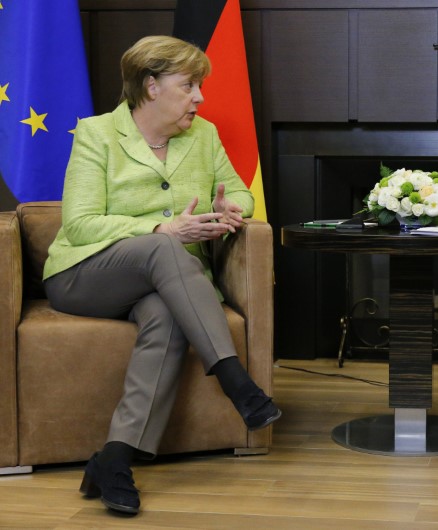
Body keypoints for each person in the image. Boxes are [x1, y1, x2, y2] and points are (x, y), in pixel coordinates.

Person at [42, 35, 281, 516]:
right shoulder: (97, 134)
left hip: (163, 285)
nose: (200, 98)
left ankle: (114, 459)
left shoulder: (204, 136)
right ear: (151, 87)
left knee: (166, 314)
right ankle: (237, 381)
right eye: (189, 86)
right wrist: (160, 227)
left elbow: (240, 193)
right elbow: (80, 222)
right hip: (85, 276)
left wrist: (231, 208)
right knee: (162, 244)